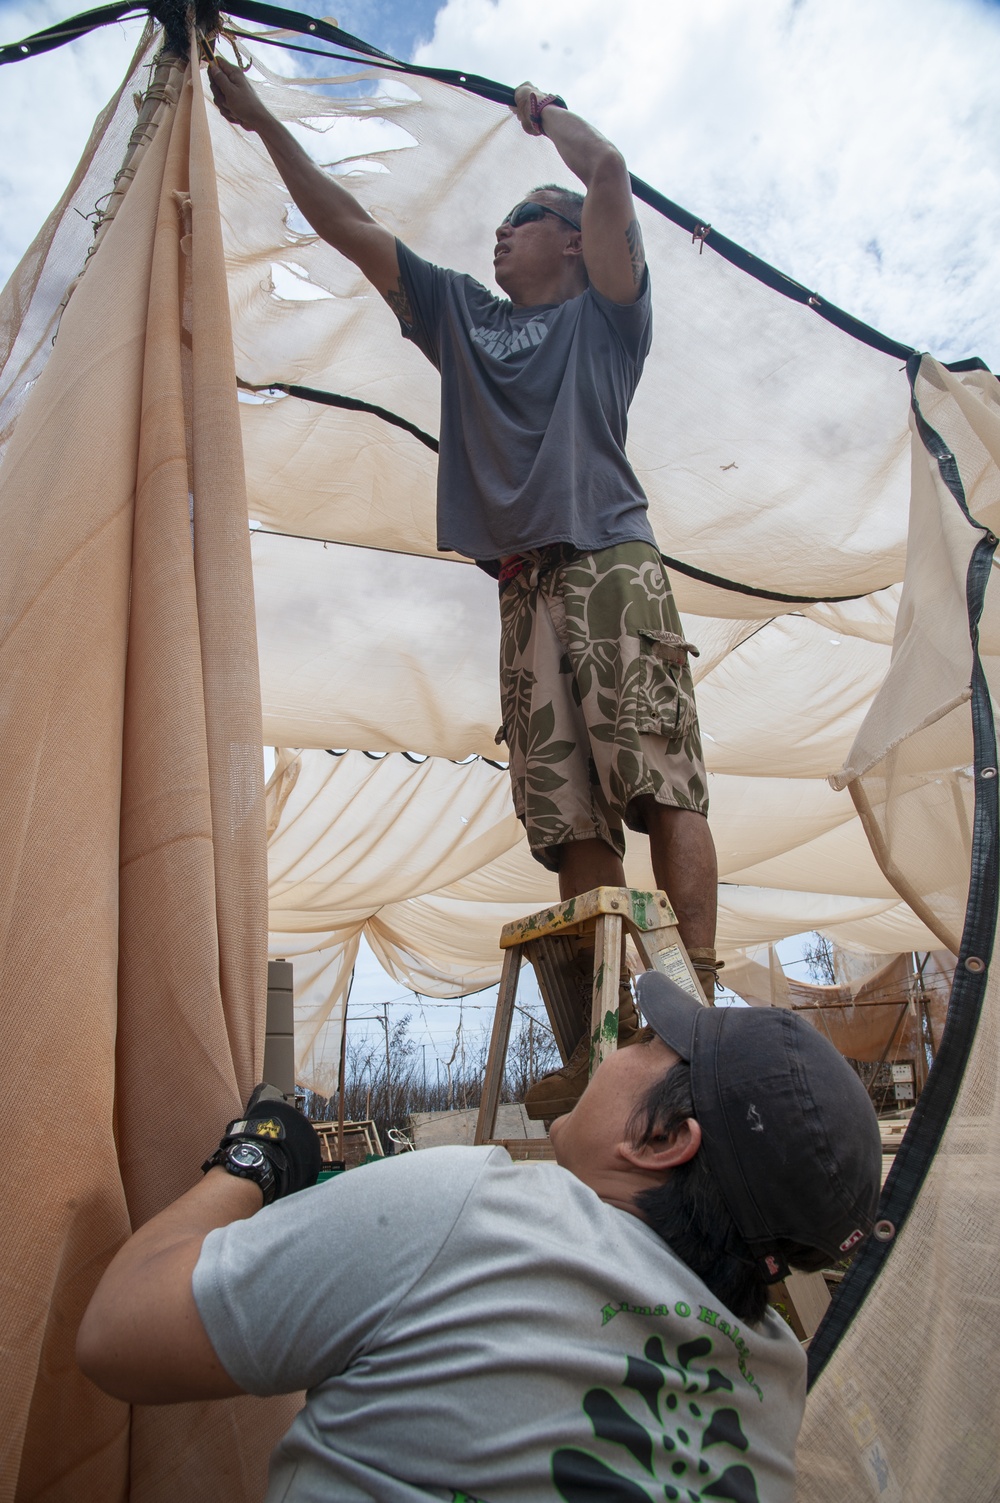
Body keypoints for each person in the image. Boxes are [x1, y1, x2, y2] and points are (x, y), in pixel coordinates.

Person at [207, 60, 721, 1109]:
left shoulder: (608, 319)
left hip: (610, 563)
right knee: (571, 826)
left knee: (659, 782)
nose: (501, 236)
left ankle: (699, 1011)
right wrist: (259, 118)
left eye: (523, 220)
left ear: (573, 243)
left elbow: (612, 170)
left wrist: (547, 121)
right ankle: (601, 1047)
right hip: (523, 591)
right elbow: (349, 227)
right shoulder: (460, 317)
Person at [77, 973, 882, 1503]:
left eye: (641, 1041)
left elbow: (116, 1331)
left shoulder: (470, 1209)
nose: (608, 1048)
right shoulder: (778, 1383)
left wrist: (251, 1160)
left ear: (666, 1135)